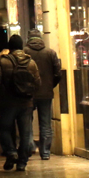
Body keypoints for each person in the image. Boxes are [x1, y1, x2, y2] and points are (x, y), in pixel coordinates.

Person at [0, 34, 41, 171]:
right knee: (25, 133)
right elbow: (38, 83)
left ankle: (11, 152)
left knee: (5, 129)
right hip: (26, 103)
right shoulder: (31, 62)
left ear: (9, 46)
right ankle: (22, 163)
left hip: (8, 103)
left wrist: (1, 95)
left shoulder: (2, 62)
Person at [24, 29, 62, 160]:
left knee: (27, 121)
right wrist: (50, 85)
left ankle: (29, 148)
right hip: (46, 93)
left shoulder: (25, 52)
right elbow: (58, 74)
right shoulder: (50, 53)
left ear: (28, 39)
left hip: (28, 93)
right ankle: (45, 152)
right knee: (45, 123)